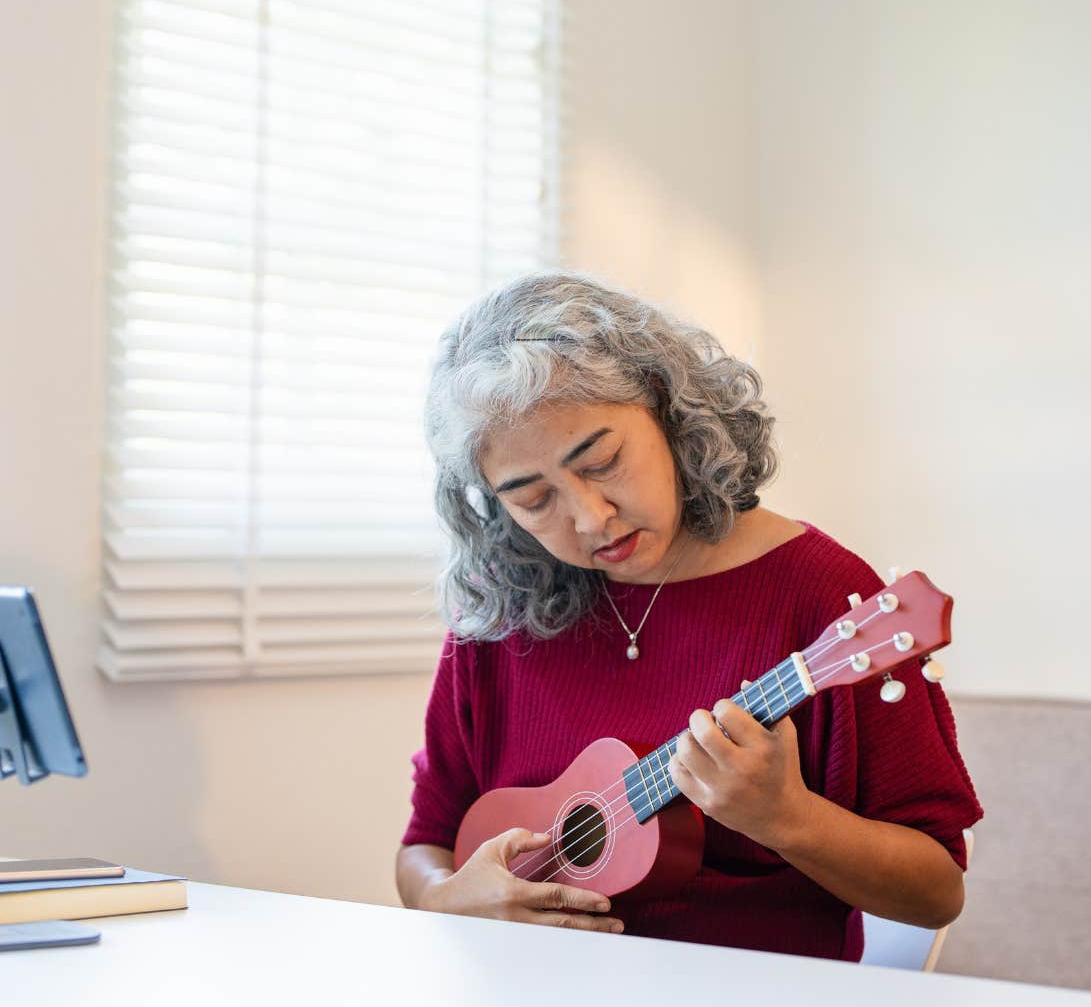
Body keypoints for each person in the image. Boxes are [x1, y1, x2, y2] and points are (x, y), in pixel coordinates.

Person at [393, 271, 983, 960]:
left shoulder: (826, 598)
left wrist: (787, 818)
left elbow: (936, 891)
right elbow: (425, 846)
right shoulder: (503, 608)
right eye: (532, 500)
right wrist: (446, 899)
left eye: (604, 461)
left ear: (670, 411)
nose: (589, 517)